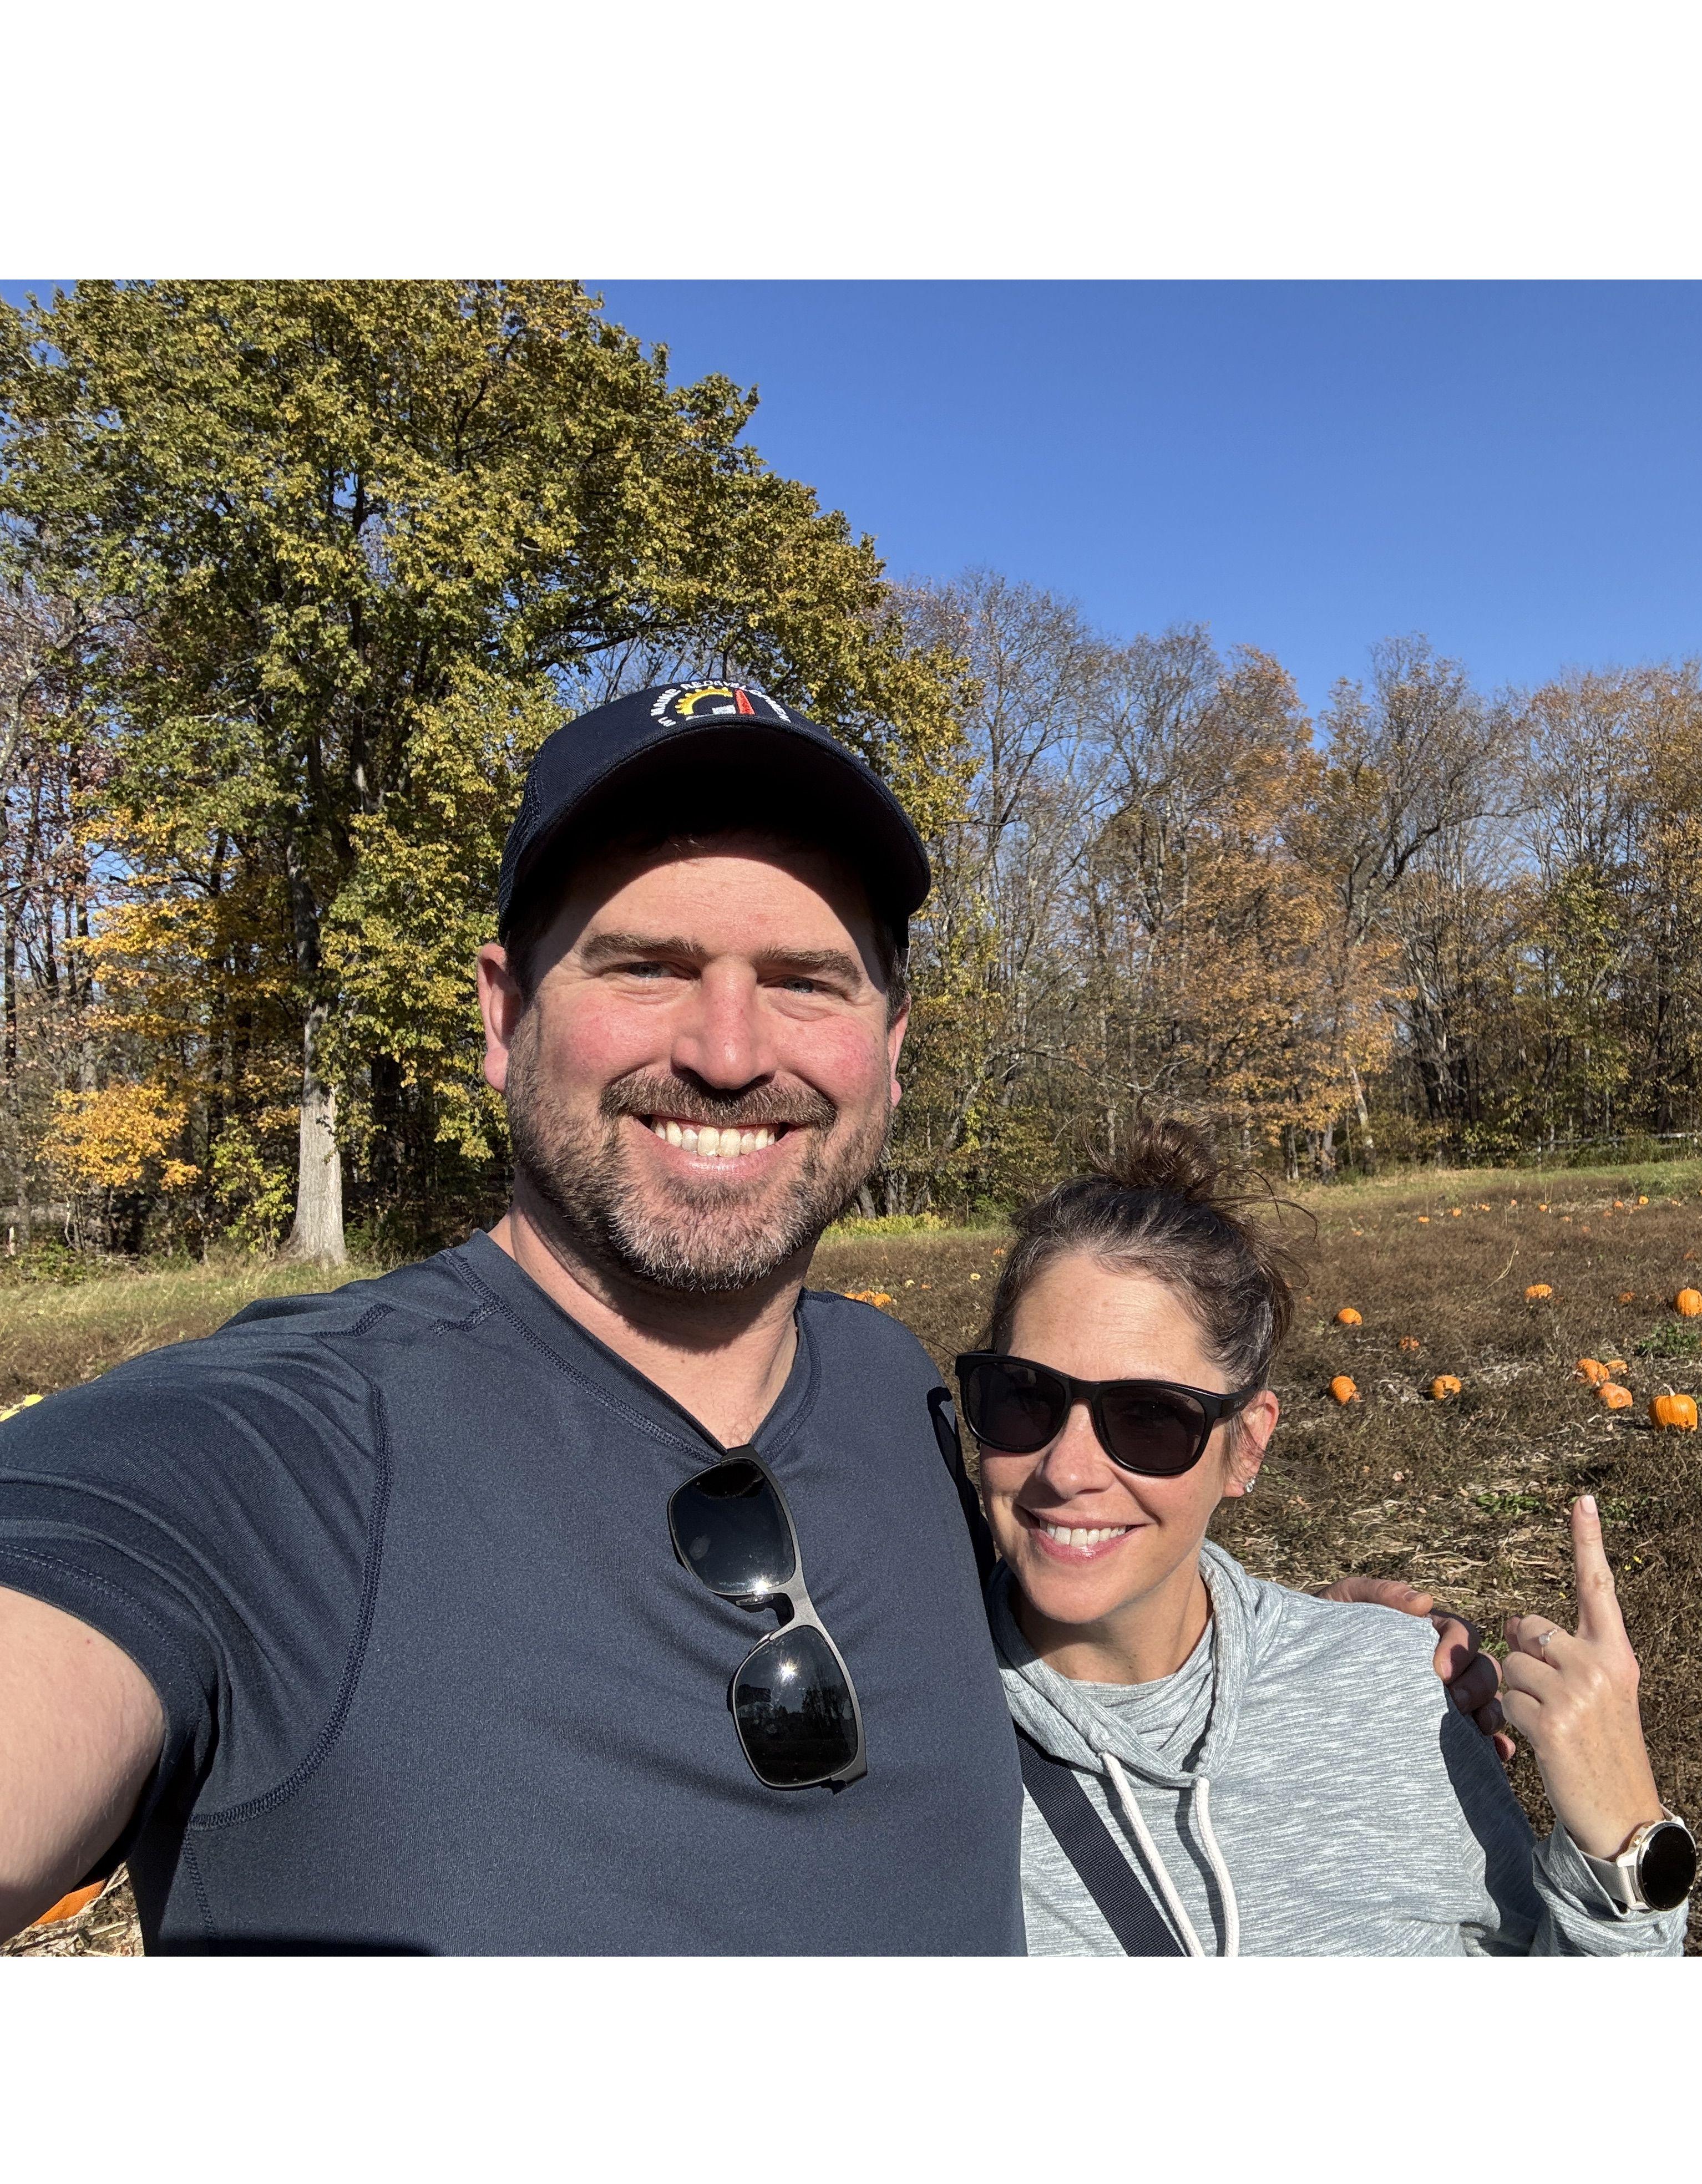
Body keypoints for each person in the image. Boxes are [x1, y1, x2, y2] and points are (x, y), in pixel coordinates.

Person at [0, 681, 1486, 1953]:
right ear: (504, 1012)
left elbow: (1081, 1556)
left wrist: (1296, 1649)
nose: (726, 1050)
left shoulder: (900, 1392)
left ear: (890, 1055)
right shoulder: (265, 1455)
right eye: (646, 967)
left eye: (804, 981)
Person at [961, 1120, 1694, 1956]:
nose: (1068, 1470)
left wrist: (1625, 1839)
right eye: (1023, 1397)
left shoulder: (1397, 1690)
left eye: (1147, 1417)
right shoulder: (907, 1728)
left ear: (1247, 1444)